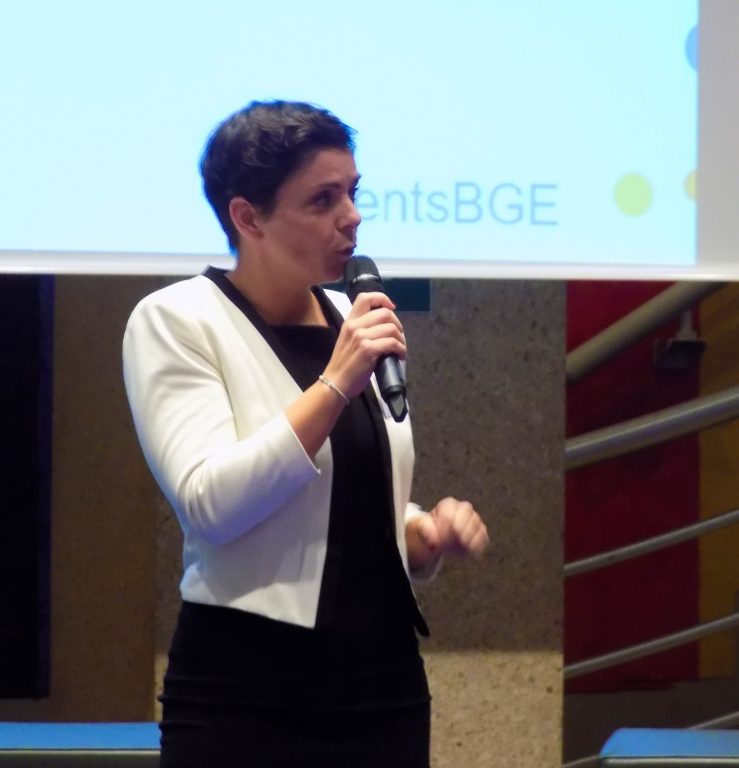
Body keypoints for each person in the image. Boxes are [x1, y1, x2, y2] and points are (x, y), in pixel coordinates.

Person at [122, 100, 489, 768]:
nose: (351, 216)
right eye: (322, 200)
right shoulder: (176, 320)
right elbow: (211, 505)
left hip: (383, 685)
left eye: (353, 192)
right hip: (247, 690)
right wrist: (335, 382)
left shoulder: (351, 316)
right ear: (248, 217)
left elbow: (342, 496)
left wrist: (418, 532)